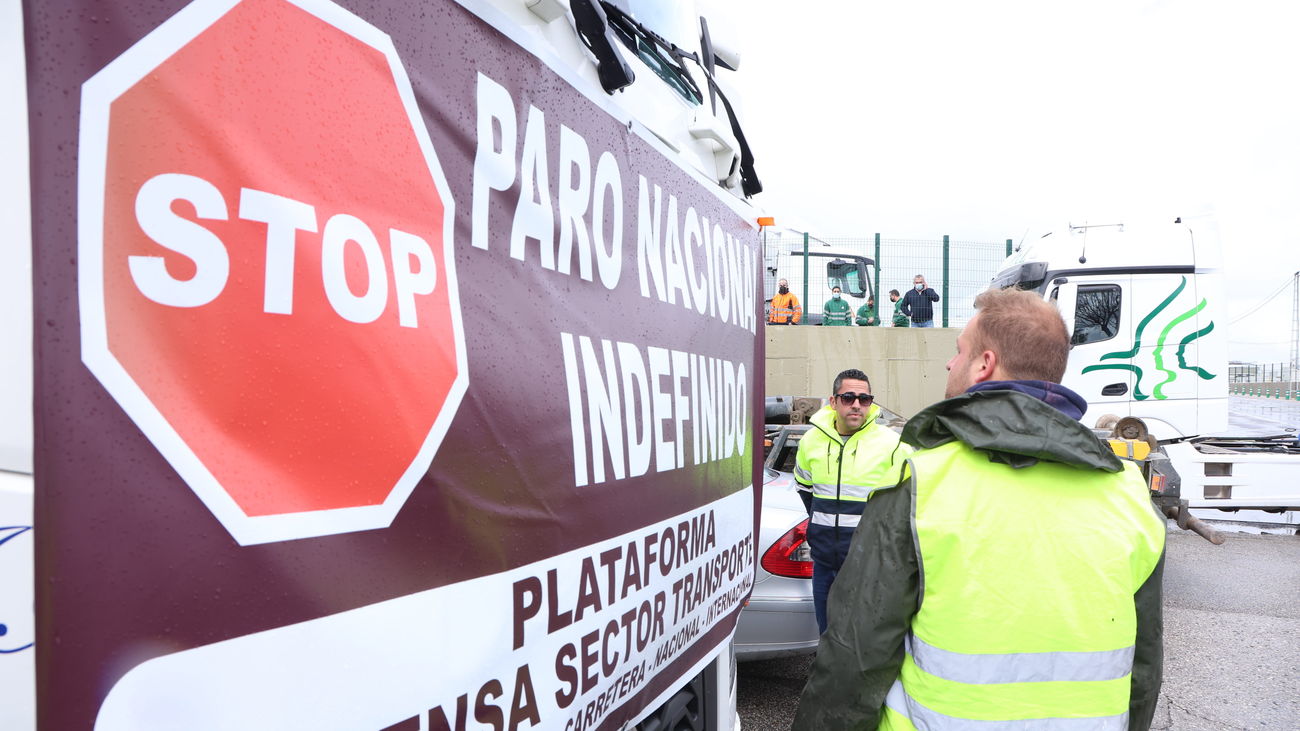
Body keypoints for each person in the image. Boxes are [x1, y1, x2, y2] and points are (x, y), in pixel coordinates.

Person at [794, 288, 1166, 730]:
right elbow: (1143, 669)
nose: (950, 364)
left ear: (984, 364)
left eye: (958, 352)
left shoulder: (919, 482)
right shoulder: (1127, 493)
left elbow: (855, 660)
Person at [793, 368, 909, 634]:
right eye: (848, 397)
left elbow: (906, 505)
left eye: (864, 399)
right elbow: (805, 491)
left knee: (865, 642)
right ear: (833, 402)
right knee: (828, 637)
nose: (857, 405)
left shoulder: (893, 445)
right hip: (824, 565)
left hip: (870, 567)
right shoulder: (811, 442)